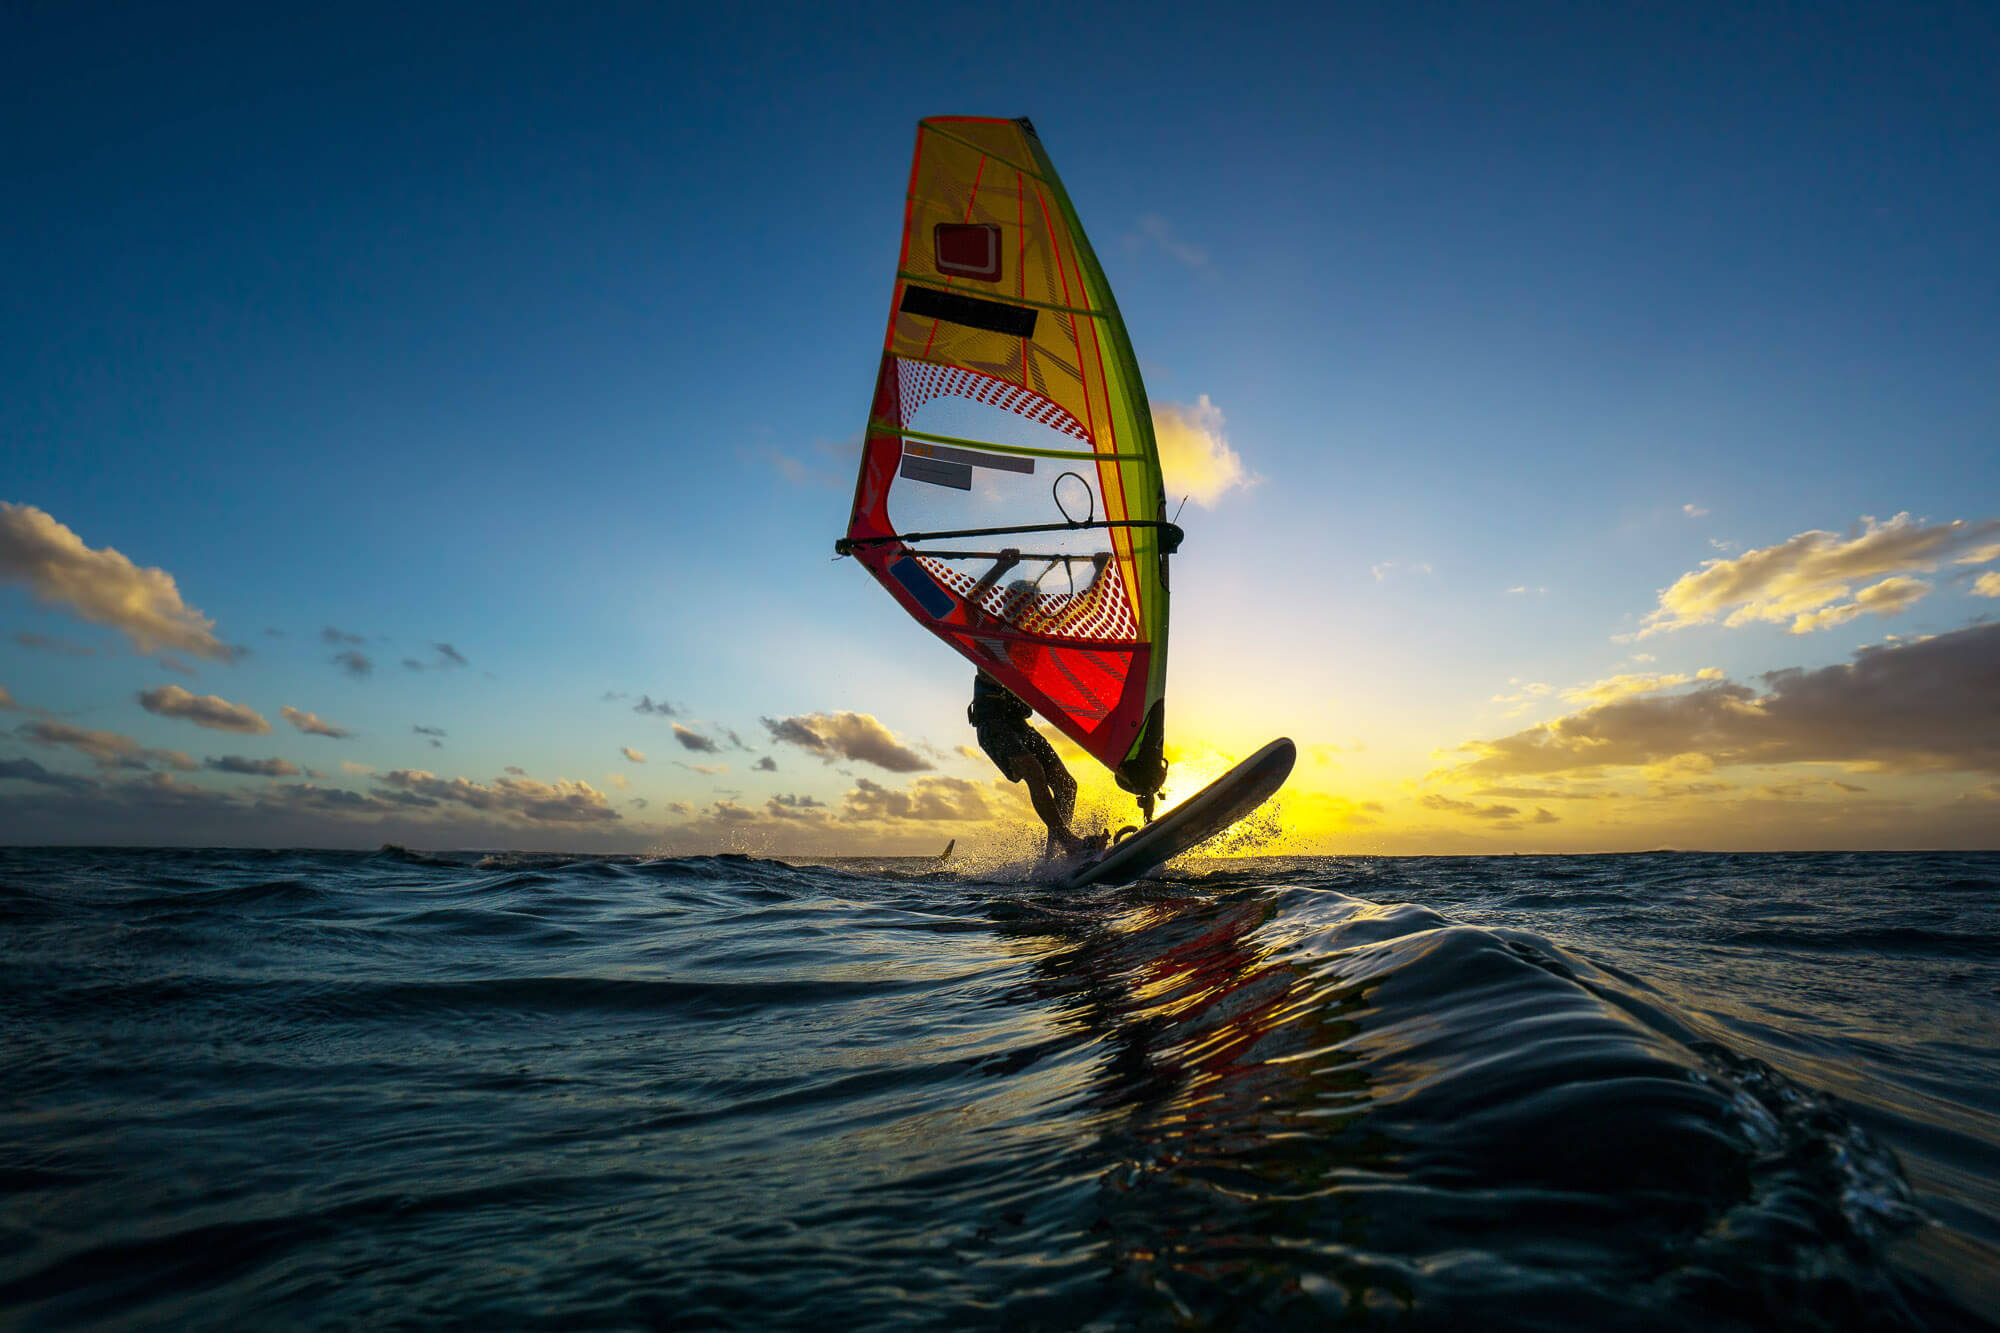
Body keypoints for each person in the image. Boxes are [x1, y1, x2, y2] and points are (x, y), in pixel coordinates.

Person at [963, 548, 1105, 860]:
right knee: (1033, 770)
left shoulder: (1037, 633)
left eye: (1032, 602)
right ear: (1006, 603)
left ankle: (1055, 854)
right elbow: (969, 600)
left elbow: (1083, 609)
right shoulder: (987, 629)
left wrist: (1098, 571)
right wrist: (1002, 567)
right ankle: (1069, 842)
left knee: (1067, 786)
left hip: (1018, 723)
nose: (1027, 607)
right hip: (992, 723)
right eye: (1020, 600)